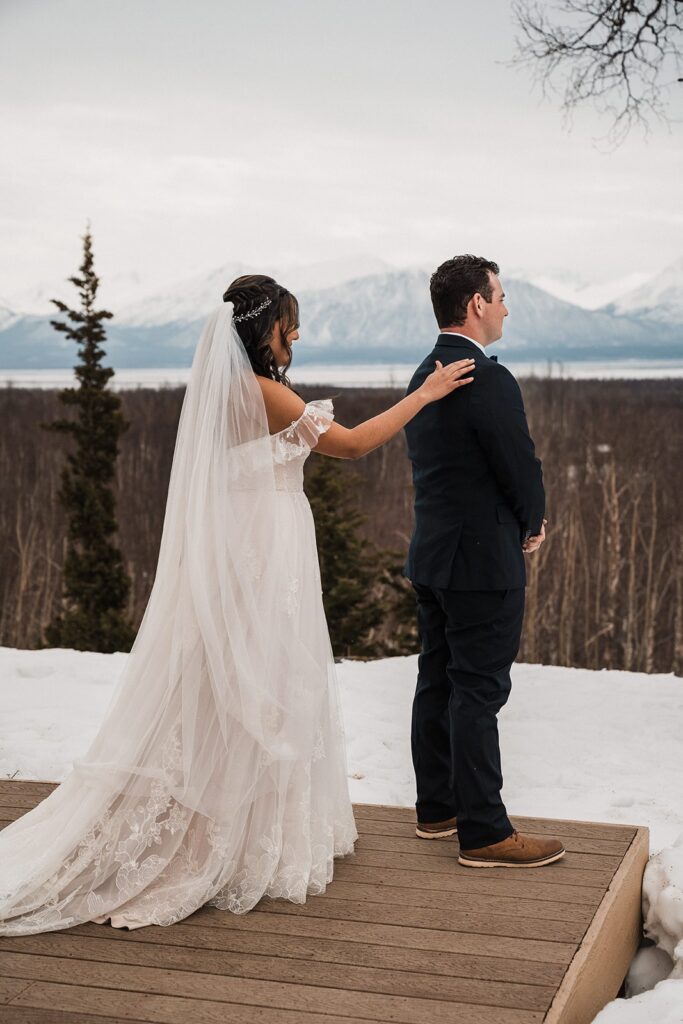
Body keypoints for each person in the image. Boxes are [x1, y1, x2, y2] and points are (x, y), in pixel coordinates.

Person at [0, 273, 475, 934]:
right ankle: (231, 836)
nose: (298, 335)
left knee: (239, 677)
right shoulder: (261, 391)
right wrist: (424, 394)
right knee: (263, 677)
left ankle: (236, 820)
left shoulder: (225, 389)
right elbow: (353, 445)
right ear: (264, 330)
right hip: (265, 550)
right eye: (290, 323)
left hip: (247, 543)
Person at [403, 254, 565, 868]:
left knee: (437, 679)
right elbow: (518, 463)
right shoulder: (487, 377)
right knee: (479, 691)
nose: (505, 306)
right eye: (499, 295)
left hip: (433, 557)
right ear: (476, 304)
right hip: (481, 563)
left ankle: (437, 809)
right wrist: (532, 522)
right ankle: (485, 833)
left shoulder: (426, 371)